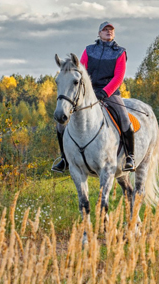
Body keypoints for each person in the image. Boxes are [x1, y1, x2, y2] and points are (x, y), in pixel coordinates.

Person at [52, 21, 136, 173]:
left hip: (110, 93)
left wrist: (104, 92)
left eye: (111, 29)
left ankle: (130, 156)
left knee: (124, 118)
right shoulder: (89, 50)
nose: (108, 31)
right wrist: (87, 92)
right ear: (99, 33)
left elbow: (118, 77)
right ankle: (64, 158)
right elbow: (81, 71)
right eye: (105, 29)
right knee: (61, 124)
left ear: (114, 33)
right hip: (88, 93)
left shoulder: (120, 52)